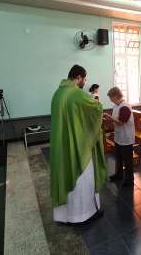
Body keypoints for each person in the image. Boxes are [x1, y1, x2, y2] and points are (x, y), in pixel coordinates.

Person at [50, 65, 106, 223]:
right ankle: (83, 215)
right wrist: (97, 103)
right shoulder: (76, 93)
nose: (85, 82)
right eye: (84, 78)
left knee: (64, 174)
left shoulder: (58, 93)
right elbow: (96, 108)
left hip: (62, 144)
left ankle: (64, 216)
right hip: (77, 144)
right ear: (79, 77)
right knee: (83, 179)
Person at [104, 87, 135, 187]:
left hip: (126, 137)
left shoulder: (125, 107)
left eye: (111, 98)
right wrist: (109, 119)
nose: (110, 100)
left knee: (128, 160)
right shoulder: (116, 106)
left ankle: (129, 180)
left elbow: (121, 122)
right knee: (118, 157)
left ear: (116, 96)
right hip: (119, 136)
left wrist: (110, 118)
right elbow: (115, 120)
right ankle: (119, 174)